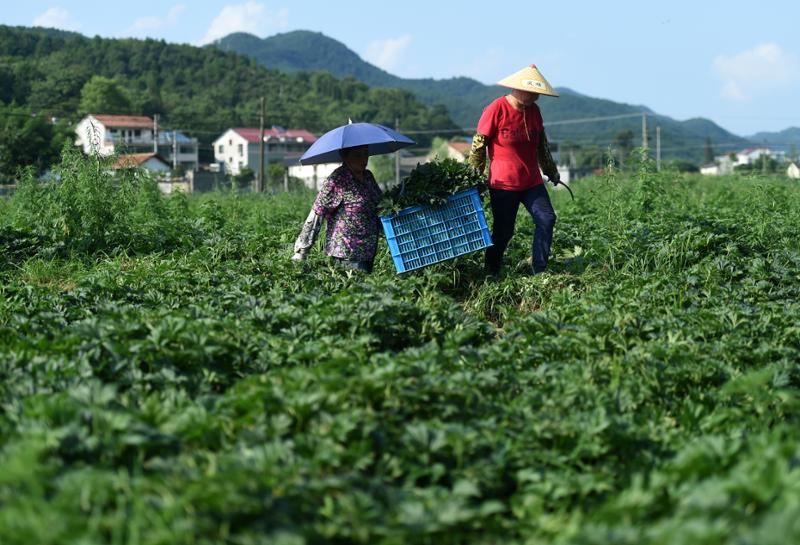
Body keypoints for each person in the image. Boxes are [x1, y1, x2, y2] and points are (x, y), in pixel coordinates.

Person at [468, 64, 562, 276]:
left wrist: (551, 170)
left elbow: (541, 145)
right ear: (519, 88)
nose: (536, 97)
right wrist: (474, 175)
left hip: (532, 182)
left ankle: (539, 270)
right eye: (532, 92)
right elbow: (479, 145)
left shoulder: (535, 111)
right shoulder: (497, 108)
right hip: (503, 184)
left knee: (547, 219)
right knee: (503, 232)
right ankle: (491, 272)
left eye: (538, 93)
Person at [292, 145, 382, 272]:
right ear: (345, 156)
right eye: (357, 155)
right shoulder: (338, 179)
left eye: (366, 153)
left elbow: (381, 204)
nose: (364, 159)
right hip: (346, 253)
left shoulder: (368, 177)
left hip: (368, 251)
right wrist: (302, 249)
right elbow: (318, 212)